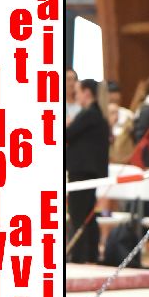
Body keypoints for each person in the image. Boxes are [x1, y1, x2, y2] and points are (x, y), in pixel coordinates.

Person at [65, 79, 110, 263]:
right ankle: (90, 254)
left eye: (77, 92)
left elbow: (68, 134)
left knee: (78, 214)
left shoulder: (89, 114)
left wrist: (68, 124)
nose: (75, 96)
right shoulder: (96, 114)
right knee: (88, 213)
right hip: (89, 171)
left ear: (87, 93)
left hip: (81, 171)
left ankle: (78, 255)